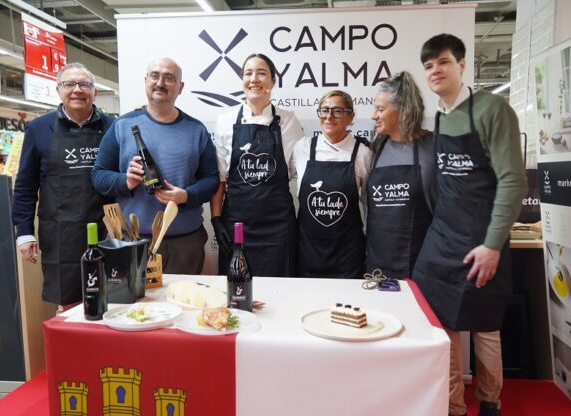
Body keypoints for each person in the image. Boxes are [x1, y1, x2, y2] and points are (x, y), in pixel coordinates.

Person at [412, 34, 527, 416]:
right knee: (438, 324)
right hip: (442, 238)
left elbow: (513, 180)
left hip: (483, 237)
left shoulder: (493, 110)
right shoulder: (440, 116)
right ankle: (454, 407)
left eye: (442, 62)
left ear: (462, 65)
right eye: (428, 66)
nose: (435, 71)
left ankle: (490, 405)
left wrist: (494, 243)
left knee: (484, 327)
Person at [91, 57, 219, 274]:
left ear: (180, 87)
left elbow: (211, 180)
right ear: (145, 81)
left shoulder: (196, 130)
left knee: (183, 306)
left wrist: (185, 196)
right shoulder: (122, 126)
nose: (160, 82)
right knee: (133, 308)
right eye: (155, 75)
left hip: (184, 244)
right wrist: (125, 181)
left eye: (169, 78)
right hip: (132, 242)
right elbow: (98, 176)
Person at [12, 62, 115, 306]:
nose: (77, 90)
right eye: (69, 84)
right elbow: (25, 186)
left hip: (107, 230)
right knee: (68, 305)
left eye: (85, 85)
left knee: (111, 301)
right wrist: (24, 232)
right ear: (58, 90)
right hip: (60, 234)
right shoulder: (39, 128)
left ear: (95, 92)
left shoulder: (113, 127)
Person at [210, 53, 304, 277]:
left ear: (273, 81)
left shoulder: (288, 121)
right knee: (237, 290)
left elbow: (298, 172)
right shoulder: (226, 122)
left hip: (278, 226)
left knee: (280, 290)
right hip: (237, 224)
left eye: (262, 73)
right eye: (248, 73)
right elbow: (220, 178)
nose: (254, 79)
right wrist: (215, 220)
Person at [291, 90, 371, 278]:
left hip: (347, 253)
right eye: (324, 110)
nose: (329, 116)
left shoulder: (362, 153)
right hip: (307, 250)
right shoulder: (302, 148)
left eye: (337, 111)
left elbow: (369, 204)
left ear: (350, 116)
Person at [365, 72, 435, 280]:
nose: (373, 115)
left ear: (404, 110)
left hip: (421, 263)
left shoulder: (433, 147)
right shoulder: (377, 147)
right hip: (378, 263)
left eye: (381, 109)